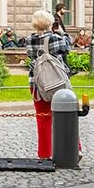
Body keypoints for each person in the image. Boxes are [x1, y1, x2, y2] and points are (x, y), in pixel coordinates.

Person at [26, 10, 71, 159]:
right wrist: (62, 33)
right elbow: (68, 47)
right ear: (50, 23)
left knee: (43, 118)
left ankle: (44, 153)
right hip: (56, 82)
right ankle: (73, 149)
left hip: (37, 84)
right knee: (66, 115)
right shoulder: (55, 38)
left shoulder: (29, 40)